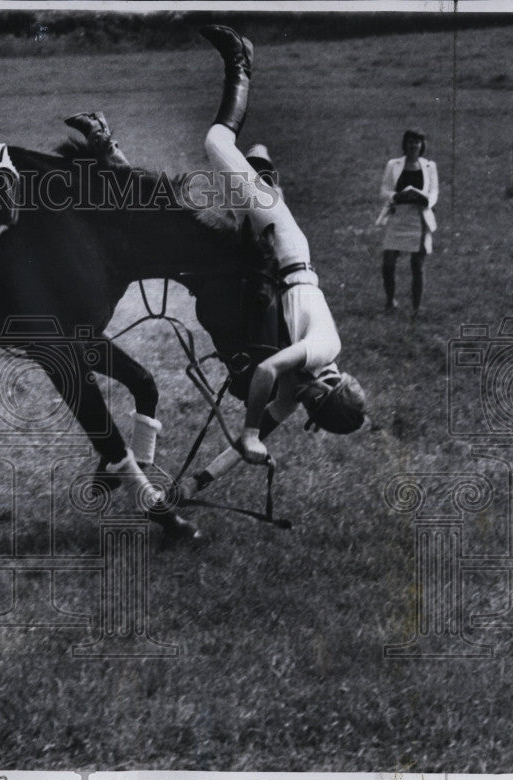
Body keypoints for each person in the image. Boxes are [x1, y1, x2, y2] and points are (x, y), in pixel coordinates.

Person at [195, 25, 366, 474]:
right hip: (282, 244)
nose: (301, 406)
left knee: (204, 219)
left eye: (306, 410)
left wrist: (194, 485)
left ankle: (261, 167)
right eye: (313, 404)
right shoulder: (325, 347)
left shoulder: (299, 390)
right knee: (216, 144)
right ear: (329, 383)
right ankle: (240, 63)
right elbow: (266, 373)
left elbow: (239, 449)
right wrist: (251, 432)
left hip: (266, 267)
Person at [376, 130, 438, 316]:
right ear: (405, 144)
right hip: (398, 217)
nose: (413, 146)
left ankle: (416, 307)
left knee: (417, 265)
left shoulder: (429, 166)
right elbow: (384, 191)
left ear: (422, 145)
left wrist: (426, 200)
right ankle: (390, 301)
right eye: (410, 142)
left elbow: (434, 191)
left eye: (417, 142)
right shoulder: (393, 165)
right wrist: (397, 196)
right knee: (388, 263)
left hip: (419, 219)